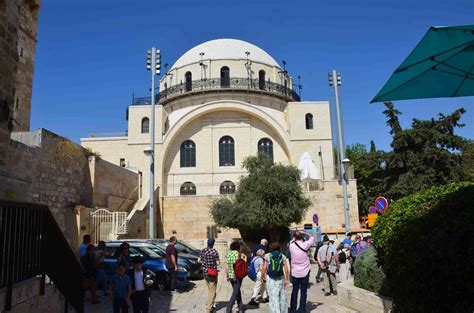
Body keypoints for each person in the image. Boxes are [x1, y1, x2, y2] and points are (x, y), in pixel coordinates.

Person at [289, 230, 314, 313]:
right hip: (305, 272)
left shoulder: (291, 246)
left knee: (294, 291)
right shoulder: (305, 245)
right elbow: (312, 237)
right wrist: (304, 233)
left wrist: (297, 235)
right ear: (301, 237)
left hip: (295, 272)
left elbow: (292, 240)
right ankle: (302, 310)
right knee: (303, 292)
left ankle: (293, 309)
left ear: (295, 237)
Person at [261, 242, 290, 313]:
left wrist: (262, 276)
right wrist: (286, 279)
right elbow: (286, 268)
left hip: (270, 279)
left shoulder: (268, 255)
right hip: (280, 278)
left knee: (272, 296)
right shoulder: (282, 256)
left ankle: (275, 310)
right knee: (281, 295)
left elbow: (264, 267)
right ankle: (282, 310)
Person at [199, 238, 221, 313]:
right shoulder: (214, 251)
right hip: (212, 274)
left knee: (211, 289)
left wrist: (204, 263)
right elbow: (218, 263)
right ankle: (209, 308)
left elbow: (199, 260)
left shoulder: (203, 250)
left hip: (205, 273)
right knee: (212, 290)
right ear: (213, 243)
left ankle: (210, 303)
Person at [225, 240, 247, 313]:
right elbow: (244, 265)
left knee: (237, 291)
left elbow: (226, 267)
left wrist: (227, 276)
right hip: (238, 276)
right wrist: (245, 258)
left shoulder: (228, 255)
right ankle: (228, 309)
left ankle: (240, 307)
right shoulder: (239, 255)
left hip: (231, 276)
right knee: (235, 292)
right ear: (238, 247)